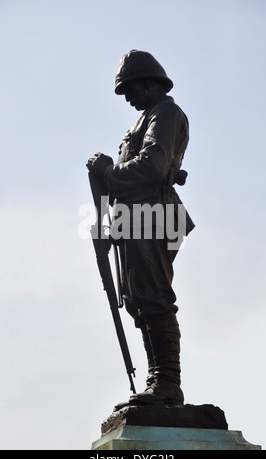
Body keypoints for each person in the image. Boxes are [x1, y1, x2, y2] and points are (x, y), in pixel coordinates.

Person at [87, 50, 194, 407]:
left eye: (131, 89)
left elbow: (153, 165)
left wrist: (108, 172)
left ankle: (167, 383)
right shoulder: (146, 118)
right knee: (138, 302)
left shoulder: (166, 113)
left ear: (150, 82)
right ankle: (156, 383)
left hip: (152, 215)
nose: (128, 98)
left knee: (154, 298)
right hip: (133, 219)